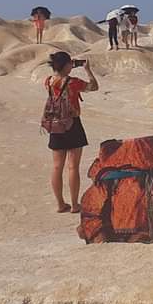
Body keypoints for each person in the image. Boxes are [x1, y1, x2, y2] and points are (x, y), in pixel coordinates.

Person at [44, 52, 99, 213]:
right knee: (73, 167)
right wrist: (87, 70)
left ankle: (60, 204)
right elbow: (94, 86)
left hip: (55, 124)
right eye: (70, 64)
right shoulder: (72, 82)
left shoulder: (47, 81)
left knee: (56, 167)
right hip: (72, 124)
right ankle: (75, 205)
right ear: (66, 65)